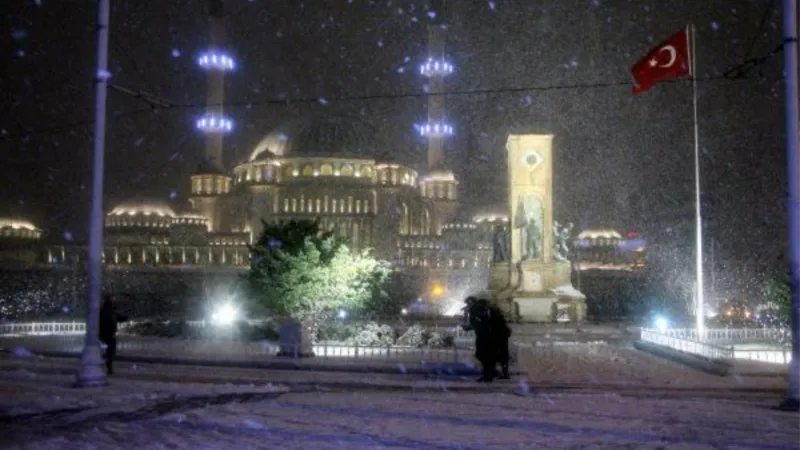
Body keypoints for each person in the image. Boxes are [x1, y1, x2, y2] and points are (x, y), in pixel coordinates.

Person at [99, 294, 126, 375]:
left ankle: (109, 366)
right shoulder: (108, 310)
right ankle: (108, 366)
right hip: (108, 334)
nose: (114, 300)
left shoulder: (108, 310)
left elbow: (116, 317)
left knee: (110, 351)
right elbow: (112, 319)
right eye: (113, 299)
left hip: (107, 334)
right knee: (110, 351)